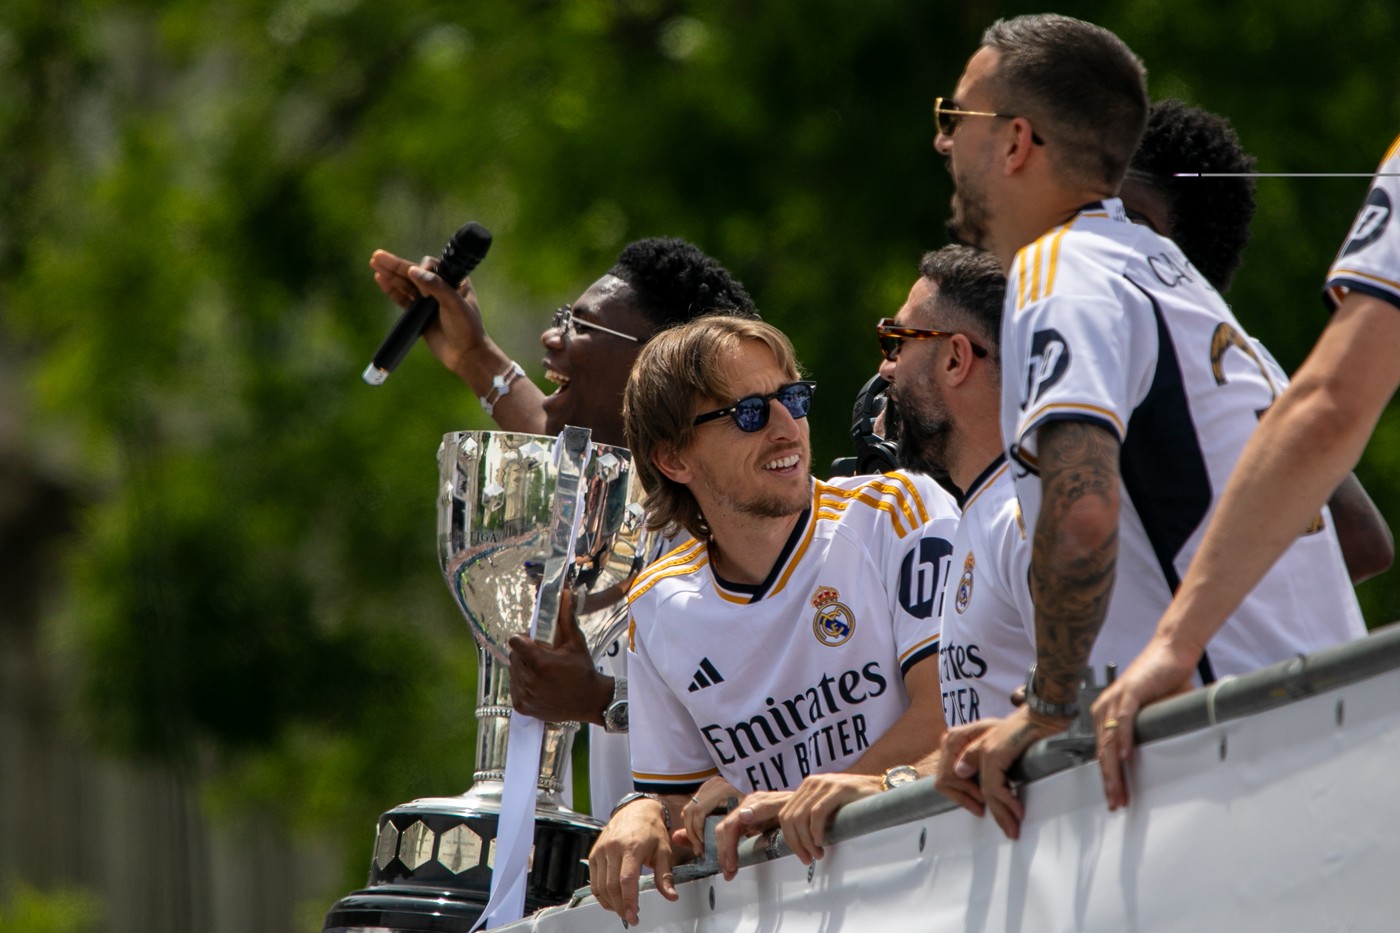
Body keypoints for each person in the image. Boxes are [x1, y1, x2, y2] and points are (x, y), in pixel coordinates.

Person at [933, 13, 1365, 841]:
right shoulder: (1180, 282)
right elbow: (1355, 528)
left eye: (956, 120)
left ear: (1017, 140)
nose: (944, 144)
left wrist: (1050, 706)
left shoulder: (1059, 270)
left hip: (1230, 758)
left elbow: (1082, 513)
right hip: (1326, 725)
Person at [586, 315, 958, 924]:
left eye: (793, 399)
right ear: (674, 458)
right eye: (750, 413)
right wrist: (641, 812)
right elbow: (688, 816)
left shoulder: (899, 510)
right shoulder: (654, 605)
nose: (788, 429)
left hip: (934, 877)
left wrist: (794, 808)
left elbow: (949, 715)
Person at [370, 236, 758, 815]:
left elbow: (758, 724)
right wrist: (472, 353)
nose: (552, 338)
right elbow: (559, 425)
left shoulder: (739, 535)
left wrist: (599, 701)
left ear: (659, 365)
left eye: (580, 327)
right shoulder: (637, 509)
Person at [1093, 130, 1400, 809]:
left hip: (1248, 752)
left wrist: (1176, 638)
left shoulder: (1118, 337)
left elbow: (1332, 408)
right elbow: (1363, 535)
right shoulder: (1246, 353)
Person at [1119, 100, 1392, 583]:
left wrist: (1191, 615)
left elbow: (1361, 540)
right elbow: (1364, 539)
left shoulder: (1177, 354)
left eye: (1126, 219)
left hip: (1207, 655)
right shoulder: (1241, 355)